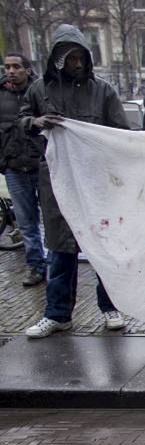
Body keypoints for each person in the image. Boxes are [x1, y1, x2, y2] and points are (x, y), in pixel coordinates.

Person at [18, 24, 131, 338]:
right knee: (60, 250)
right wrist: (34, 121)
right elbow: (21, 122)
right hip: (57, 183)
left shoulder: (103, 91)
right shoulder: (39, 90)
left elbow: (120, 133)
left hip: (96, 184)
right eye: (71, 58)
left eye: (82, 58)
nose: (77, 64)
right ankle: (57, 314)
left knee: (102, 248)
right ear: (57, 59)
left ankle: (110, 307)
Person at [0, 52, 45, 287]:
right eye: (7, 67)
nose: (11, 71)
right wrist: (4, 161)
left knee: (51, 217)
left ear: (27, 70)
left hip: (40, 164)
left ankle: (55, 265)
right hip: (15, 167)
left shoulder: (39, 92)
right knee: (26, 221)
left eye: (16, 66)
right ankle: (36, 266)